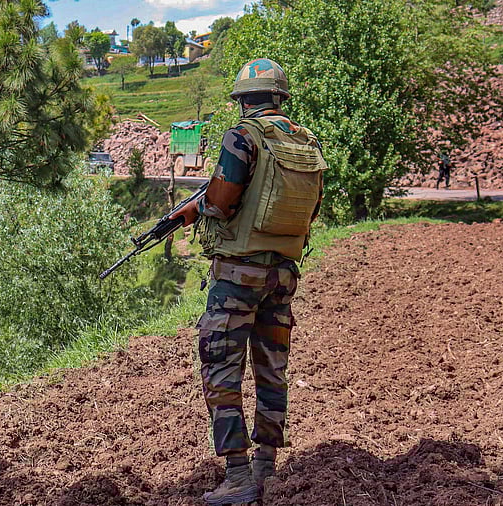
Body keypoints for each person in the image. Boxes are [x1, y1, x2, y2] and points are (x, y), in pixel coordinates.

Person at [172, 58, 326, 505]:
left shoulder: (242, 136)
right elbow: (311, 209)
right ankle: (266, 466)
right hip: (282, 273)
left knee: (221, 367)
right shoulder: (306, 142)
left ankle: (238, 475)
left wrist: (195, 209)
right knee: (272, 368)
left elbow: (220, 204)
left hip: (238, 277)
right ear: (280, 98)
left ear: (243, 101)